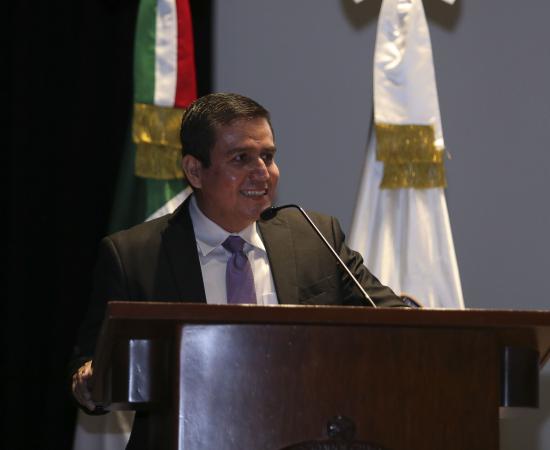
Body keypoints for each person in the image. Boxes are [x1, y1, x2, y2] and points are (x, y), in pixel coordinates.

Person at [70, 92, 407, 448]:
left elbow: (394, 321)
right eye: (241, 158)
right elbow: (91, 363)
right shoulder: (135, 255)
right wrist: (89, 379)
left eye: (268, 156)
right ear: (195, 171)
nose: (262, 172)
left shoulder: (316, 237)